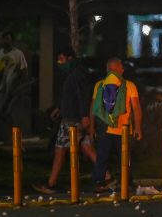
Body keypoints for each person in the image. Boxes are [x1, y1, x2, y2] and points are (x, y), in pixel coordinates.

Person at [34, 51, 92, 195]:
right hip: (72, 117)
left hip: (71, 119)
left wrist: (84, 115)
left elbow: (80, 96)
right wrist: (60, 108)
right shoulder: (74, 74)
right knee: (85, 147)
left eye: (61, 59)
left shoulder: (75, 75)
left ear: (70, 58)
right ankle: (107, 176)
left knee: (60, 150)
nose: (59, 63)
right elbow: (72, 96)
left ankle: (51, 184)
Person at [89, 57, 143, 192]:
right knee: (123, 158)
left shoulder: (99, 85)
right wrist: (137, 127)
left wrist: (91, 129)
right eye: (111, 70)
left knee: (104, 157)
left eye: (114, 70)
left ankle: (100, 182)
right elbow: (136, 108)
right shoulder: (129, 85)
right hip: (121, 130)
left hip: (107, 128)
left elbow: (93, 109)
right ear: (122, 70)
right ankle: (126, 183)